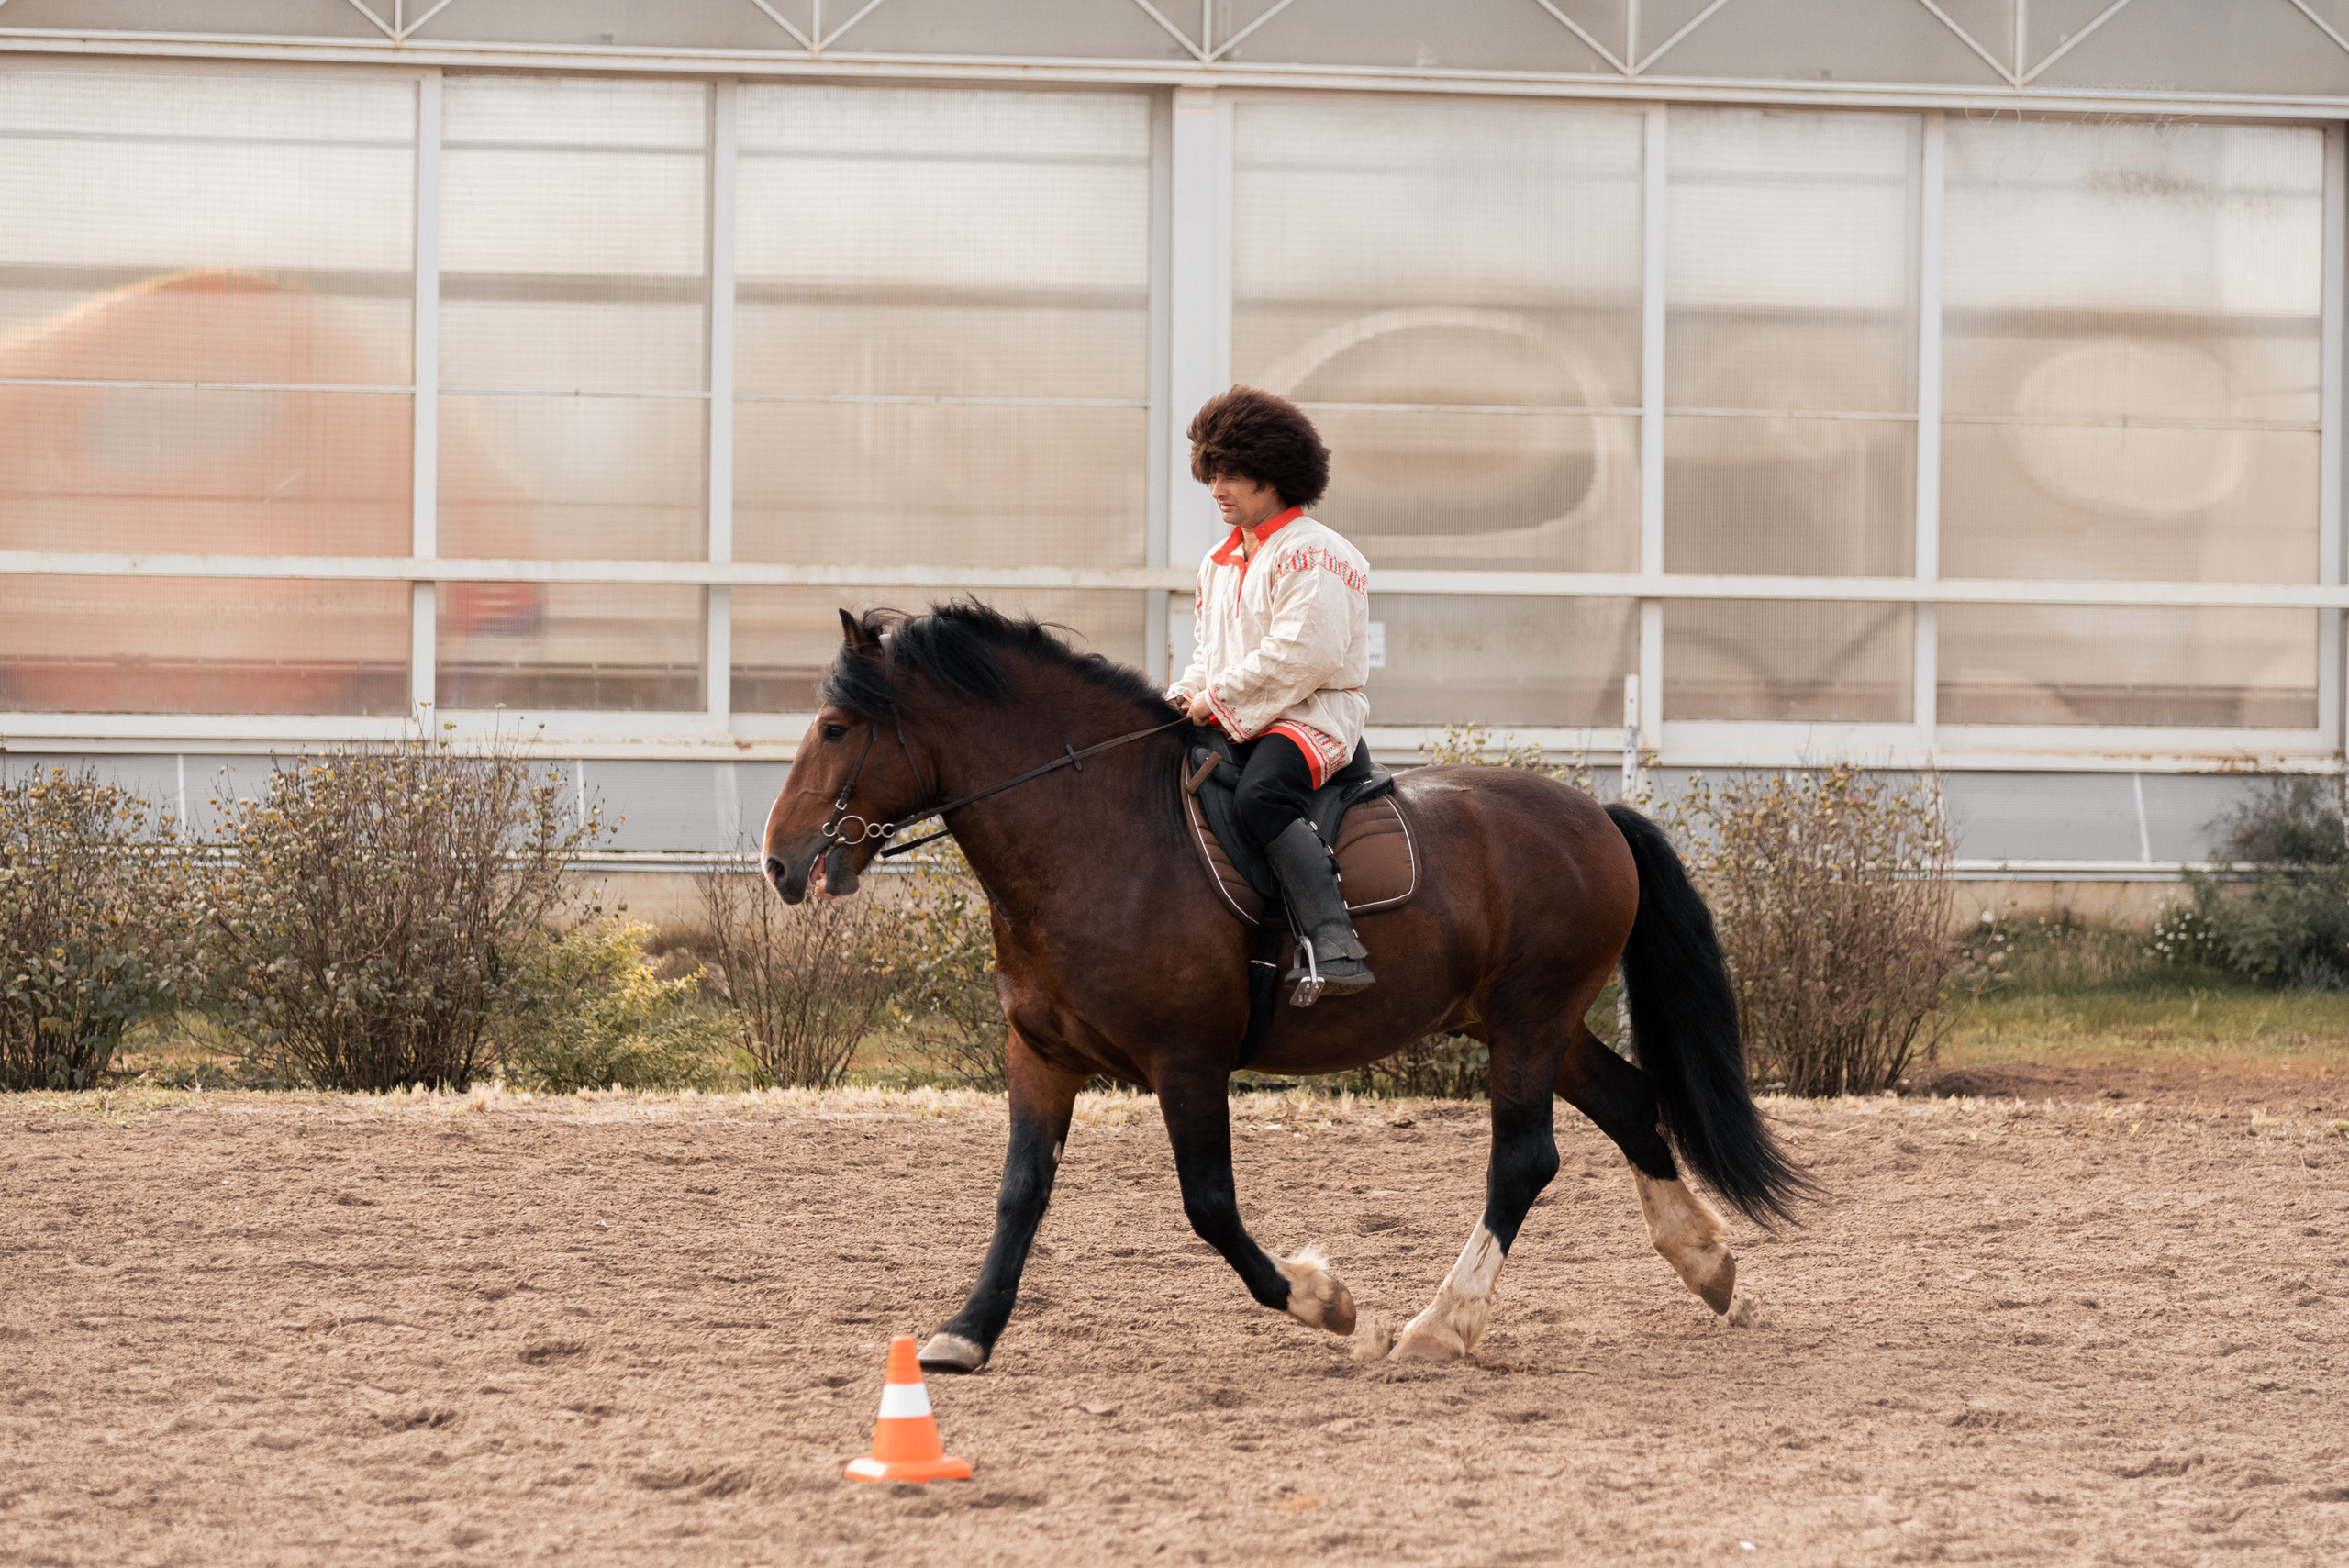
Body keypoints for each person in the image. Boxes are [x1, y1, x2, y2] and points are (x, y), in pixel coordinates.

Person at [1168, 387, 1375, 994]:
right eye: (1212, 473)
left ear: (1275, 474)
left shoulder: (1316, 553)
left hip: (1312, 716)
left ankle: (1334, 943)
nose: (1217, 488)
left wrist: (1214, 700)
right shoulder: (1218, 561)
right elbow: (1212, 654)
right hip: (1246, 715)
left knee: (1260, 798)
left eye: (1231, 473)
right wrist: (1183, 695)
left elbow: (1302, 657)